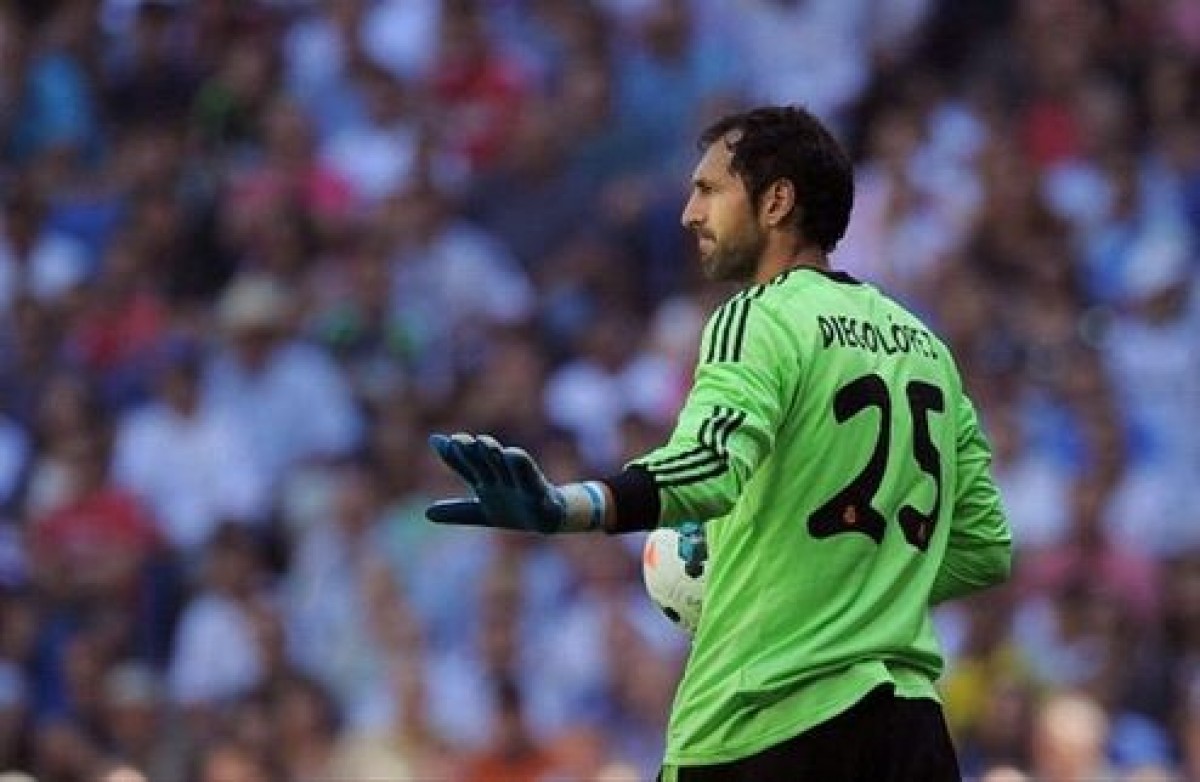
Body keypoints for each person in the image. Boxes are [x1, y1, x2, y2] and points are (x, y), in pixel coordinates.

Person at [425, 105, 1012, 781]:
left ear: (776, 202)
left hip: (764, 721)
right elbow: (983, 546)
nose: (689, 214)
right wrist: (851, 588)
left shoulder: (760, 316)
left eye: (708, 189)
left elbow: (708, 467)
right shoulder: (927, 349)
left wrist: (566, 507)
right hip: (910, 736)